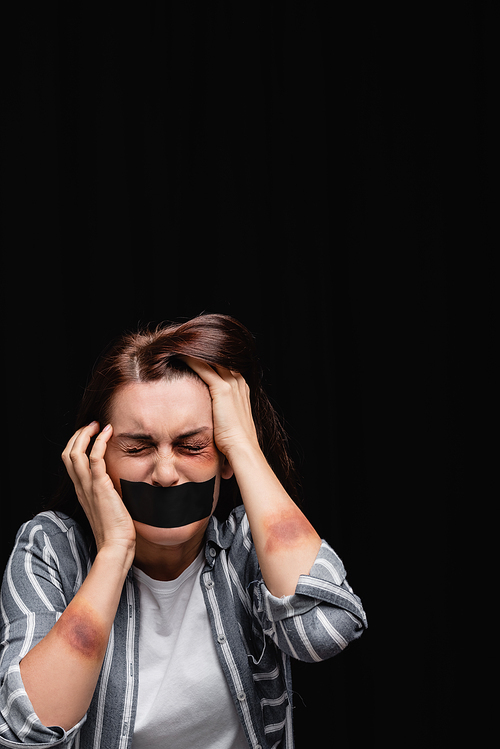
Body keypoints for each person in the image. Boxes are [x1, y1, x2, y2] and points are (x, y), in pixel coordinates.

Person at [0, 313, 367, 748]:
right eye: (137, 448)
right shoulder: (51, 547)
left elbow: (324, 631)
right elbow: (27, 731)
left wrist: (245, 447)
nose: (166, 473)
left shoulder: (249, 548)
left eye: (194, 446)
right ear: (95, 456)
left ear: (224, 457)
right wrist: (114, 553)